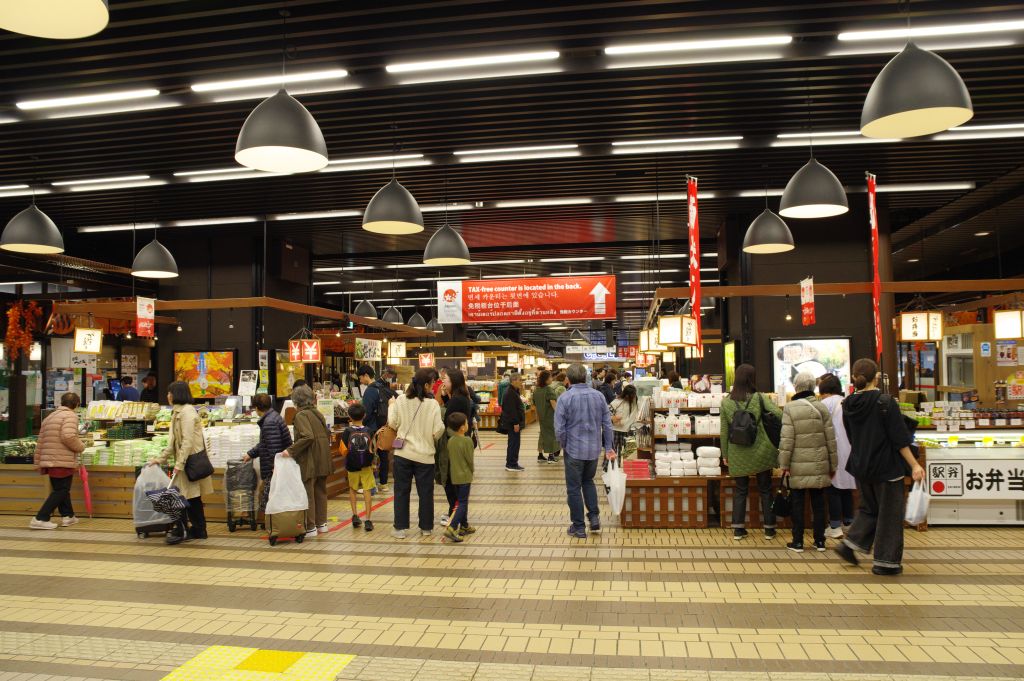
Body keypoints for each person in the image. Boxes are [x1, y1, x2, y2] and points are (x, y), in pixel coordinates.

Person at [835, 358, 924, 576]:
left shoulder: (847, 405)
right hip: (886, 467)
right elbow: (899, 439)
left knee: (869, 508)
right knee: (890, 514)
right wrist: (914, 465)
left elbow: (851, 436)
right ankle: (886, 562)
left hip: (861, 465)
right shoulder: (885, 402)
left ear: (854, 378)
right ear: (876, 377)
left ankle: (849, 545)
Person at [720, 364, 783, 541]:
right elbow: (778, 414)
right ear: (752, 379)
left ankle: (739, 529)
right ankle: (769, 529)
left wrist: (725, 454)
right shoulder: (760, 398)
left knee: (741, 490)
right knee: (765, 489)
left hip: (737, 451)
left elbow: (724, 431)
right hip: (761, 449)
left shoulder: (726, 402)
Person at [778, 372, 838, 553]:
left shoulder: (790, 408)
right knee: (819, 503)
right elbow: (831, 439)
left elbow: (786, 440)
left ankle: (797, 542)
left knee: (797, 502)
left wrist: (784, 464)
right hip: (819, 463)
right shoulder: (821, 408)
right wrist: (833, 465)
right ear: (813, 387)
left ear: (796, 387)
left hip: (797, 463)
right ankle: (820, 541)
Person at [556, 363, 616, 539]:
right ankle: (594, 517)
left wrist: (565, 445)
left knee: (574, 488)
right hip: (593, 450)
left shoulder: (565, 398)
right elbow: (607, 424)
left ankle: (579, 527)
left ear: (569, 378)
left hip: (573, 450)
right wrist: (608, 447)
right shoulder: (598, 396)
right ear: (585, 377)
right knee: (588, 481)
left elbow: (559, 429)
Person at [150, 381, 214, 543]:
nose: (167, 396)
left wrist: (179, 464)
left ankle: (196, 529)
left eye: (169, 392)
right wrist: (160, 459)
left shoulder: (187, 413)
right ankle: (189, 528)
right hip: (183, 462)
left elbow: (187, 441)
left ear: (176, 394)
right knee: (187, 496)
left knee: (191, 497)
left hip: (189, 462)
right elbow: (172, 442)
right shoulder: (177, 412)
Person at [388, 368, 445, 539]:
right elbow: (438, 429)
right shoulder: (433, 404)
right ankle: (426, 527)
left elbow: (393, 422)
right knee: (426, 493)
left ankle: (400, 528)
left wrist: (391, 407)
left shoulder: (400, 400)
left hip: (403, 454)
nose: (434, 386)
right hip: (425, 456)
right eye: (433, 383)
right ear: (426, 385)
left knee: (401, 491)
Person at [30, 392, 85, 530]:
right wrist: (81, 446)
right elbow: (68, 437)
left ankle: (68, 516)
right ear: (76, 404)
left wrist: (38, 461)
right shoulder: (70, 416)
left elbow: (41, 440)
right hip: (61, 458)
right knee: (61, 489)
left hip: (49, 458)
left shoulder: (50, 416)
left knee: (61, 488)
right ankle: (40, 518)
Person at [285, 385, 333, 538]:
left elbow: (307, 436)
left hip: (310, 458)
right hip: (323, 456)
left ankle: (311, 526)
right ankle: (322, 523)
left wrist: (290, 451)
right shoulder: (317, 413)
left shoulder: (301, 416)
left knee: (309, 492)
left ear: (296, 401)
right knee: (320, 490)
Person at [818, 374, 855, 536]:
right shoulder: (848, 401)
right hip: (850, 450)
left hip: (832, 449)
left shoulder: (825, 403)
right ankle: (849, 522)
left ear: (824, 391)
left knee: (833, 487)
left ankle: (834, 526)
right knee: (847, 488)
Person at [242, 393, 291, 517]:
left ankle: (274, 525)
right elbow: (266, 443)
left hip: (274, 467)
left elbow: (273, 447)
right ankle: (273, 523)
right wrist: (250, 454)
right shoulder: (274, 417)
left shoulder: (269, 422)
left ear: (257, 408)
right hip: (278, 465)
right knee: (272, 496)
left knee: (270, 498)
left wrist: (275, 466)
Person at [439, 368, 474, 522]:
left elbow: (449, 421)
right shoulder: (460, 397)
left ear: (453, 382)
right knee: (454, 483)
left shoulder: (457, 400)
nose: (443, 382)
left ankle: (455, 516)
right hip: (459, 443)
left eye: (445, 379)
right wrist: (446, 399)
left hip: (454, 444)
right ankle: (457, 516)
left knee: (451, 482)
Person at [359, 365, 395, 493]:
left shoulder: (369, 391)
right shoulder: (382, 388)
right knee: (383, 455)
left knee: (370, 456)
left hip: (372, 428)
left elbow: (367, 412)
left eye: (361, 377)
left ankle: (370, 485)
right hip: (384, 427)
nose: (360, 380)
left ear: (366, 376)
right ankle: (383, 484)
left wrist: (360, 423)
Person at [443, 411, 475, 543]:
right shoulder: (467, 441)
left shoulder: (450, 441)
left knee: (460, 500)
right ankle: (452, 527)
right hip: (465, 476)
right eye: (466, 423)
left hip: (454, 476)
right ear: (462, 427)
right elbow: (469, 460)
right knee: (462, 503)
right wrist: (472, 471)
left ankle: (464, 526)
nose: (467, 425)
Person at [341, 403, 374, 532]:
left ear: (349, 416)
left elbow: (343, 449)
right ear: (364, 415)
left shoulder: (347, 431)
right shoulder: (369, 430)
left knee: (353, 489)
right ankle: (368, 519)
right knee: (367, 490)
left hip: (352, 466)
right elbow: (373, 448)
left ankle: (355, 515)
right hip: (366, 466)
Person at [500, 374, 526, 472]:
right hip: (513, 424)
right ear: (513, 381)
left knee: (515, 443)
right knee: (513, 443)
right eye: (520, 380)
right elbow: (511, 410)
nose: (521, 382)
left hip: (514, 423)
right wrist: (516, 423)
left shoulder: (514, 391)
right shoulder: (510, 392)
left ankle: (513, 462)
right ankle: (511, 464)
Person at [533, 370, 559, 464]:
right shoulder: (548, 389)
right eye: (550, 377)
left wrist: (537, 417)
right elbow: (553, 403)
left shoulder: (536, 390)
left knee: (543, 434)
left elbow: (535, 405)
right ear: (546, 379)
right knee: (551, 435)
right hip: (550, 416)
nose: (552, 379)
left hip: (541, 417)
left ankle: (540, 455)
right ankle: (551, 456)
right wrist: (559, 414)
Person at [610, 384, 640, 455]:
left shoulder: (635, 401)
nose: (632, 398)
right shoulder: (617, 402)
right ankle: (613, 465)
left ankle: (625, 465)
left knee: (630, 454)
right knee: (614, 451)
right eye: (631, 396)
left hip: (630, 430)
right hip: (616, 430)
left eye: (633, 395)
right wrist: (613, 418)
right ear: (626, 395)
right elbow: (607, 412)